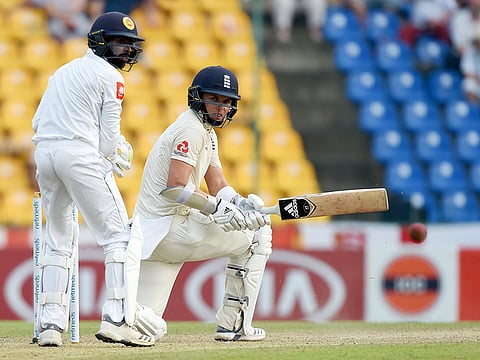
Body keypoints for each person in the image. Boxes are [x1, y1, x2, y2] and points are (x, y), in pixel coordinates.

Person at [31, 11, 156, 347]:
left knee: (58, 240)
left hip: (45, 154)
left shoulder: (61, 72)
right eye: (120, 43)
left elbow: (37, 121)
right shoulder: (111, 77)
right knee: (119, 236)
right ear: (100, 41)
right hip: (80, 155)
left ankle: (49, 327)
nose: (127, 51)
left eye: (130, 45)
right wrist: (119, 154)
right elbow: (108, 140)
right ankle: (116, 319)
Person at [134, 65, 273, 342]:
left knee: (142, 328)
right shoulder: (192, 130)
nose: (221, 108)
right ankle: (234, 325)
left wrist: (240, 204)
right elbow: (175, 187)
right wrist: (216, 208)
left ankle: (124, 320)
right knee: (259, 235)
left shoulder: (204, 131)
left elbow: (218, 185)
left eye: (226, 102)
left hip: (151, 238)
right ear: (198, 96)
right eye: (215, 99)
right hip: (173, 229)